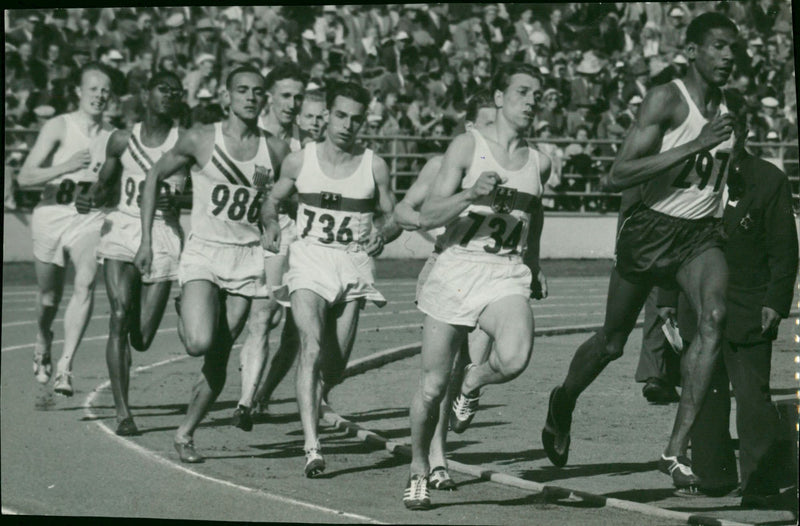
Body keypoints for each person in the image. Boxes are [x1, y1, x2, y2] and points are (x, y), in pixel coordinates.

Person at [540, 13, 739, 492]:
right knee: (612, 343)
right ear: (691, 51)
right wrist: (694, 144)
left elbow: (726, 173)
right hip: (651, 228)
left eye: (733, 47)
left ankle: (674, 449)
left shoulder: (736, 109)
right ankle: (563, 401)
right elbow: (618, 174)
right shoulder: (667, 99)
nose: (728, 56)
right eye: (717, 46)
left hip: (698, 235)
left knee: (714, 318)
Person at [405, 63, 550, 510]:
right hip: (456, 269)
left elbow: (534, 211)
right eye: (523, 92)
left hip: (504, 272)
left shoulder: (540, 159)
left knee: (515, 357)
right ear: (500, 98)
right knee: (431, 388)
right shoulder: (468, 147)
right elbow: (428, 214)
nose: (531, 101)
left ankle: (471, 382)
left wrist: (535, 260)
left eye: (537, 95)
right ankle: (417, 468)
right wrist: (470, 195)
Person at [134, 65, 290, 462]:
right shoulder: (202, 138)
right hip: (204, 252)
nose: (251, 97)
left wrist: (271, 224)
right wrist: (147, 239)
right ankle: (185, 307)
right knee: (198, 342)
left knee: (218, 355)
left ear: (264, 98)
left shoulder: (274, 149)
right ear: (227, 96)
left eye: (257, 91)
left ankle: (185, 434)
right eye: (242, 90)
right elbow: (153, 175)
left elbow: (274, 205)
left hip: (247, 258)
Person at [261, 81, 397, 477]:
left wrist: (383, 234)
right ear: (326, 116)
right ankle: (312, 446)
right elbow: (271, 199)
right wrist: (269, 221)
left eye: (356, 119)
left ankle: (317, 399)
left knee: (334, 367)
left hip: (352, 266)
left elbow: (393, 214)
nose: (347, 125)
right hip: (309, 261)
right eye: (340, 115)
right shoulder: (300, 161)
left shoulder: (374, 165)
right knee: (311, 344)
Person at [669, 106, 799, 505]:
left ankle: (758, 480)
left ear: (742, 133)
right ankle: (713, 475)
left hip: (749, 303)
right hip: (696, 302)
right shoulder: (689, 178)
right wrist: (665, 303)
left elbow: (784, 248)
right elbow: (668, 243)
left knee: (751, 394)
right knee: (704, 390)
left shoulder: (767, 178)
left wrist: (776, 303)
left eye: (728, 130)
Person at [393, 90, 498, 491]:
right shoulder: (444, 164)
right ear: (471, 126)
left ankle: (471, 392)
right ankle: (437, 459)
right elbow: (405, 208)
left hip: (491, 274)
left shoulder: (507, 165)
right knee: (442, 375)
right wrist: (424, 222)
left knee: (475, 361)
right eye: (488, 123)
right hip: (449, 272)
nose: (496, 130)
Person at [91, 72, 185, 436]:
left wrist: (177, 198)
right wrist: (91, 197)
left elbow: (191, 192)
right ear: (146, 95)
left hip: (162, 233)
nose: (169, 96)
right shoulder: (121, 139)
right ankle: (122, 412)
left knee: (142, 338)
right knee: (118, 314)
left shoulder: (183, 143)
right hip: (122, 228)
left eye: (175, 92)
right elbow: (103, 185)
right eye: (163, 89)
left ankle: (158, 310)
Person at [18, 62, 115, 396]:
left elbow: (115, 184)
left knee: (86, 282)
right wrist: (67, 166)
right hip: (51, 216)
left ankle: (65, 366)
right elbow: (24, 177)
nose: (99, 96)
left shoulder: (112, 136)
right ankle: (44, 337)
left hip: (89, 218)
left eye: (105, 90)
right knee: (48, 298)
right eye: (93, 89)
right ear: (78, 91)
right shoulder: (59, 126)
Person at [232, 63, 306, 429]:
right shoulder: (251, 136)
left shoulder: (303, 143)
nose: (292, 103)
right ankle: (246, 400)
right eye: (286, 96)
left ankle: (259, 396)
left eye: (298, 97)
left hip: (297, 237)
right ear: (269, 97)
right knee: (263, 317)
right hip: (254, 237)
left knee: (294, 328)